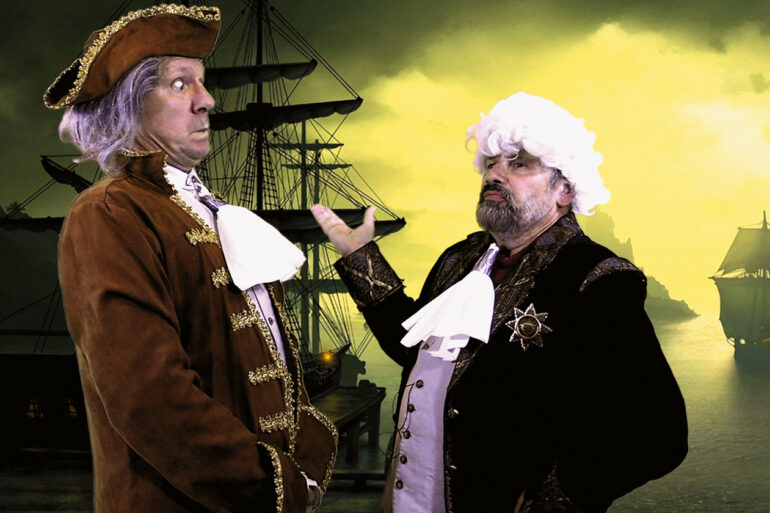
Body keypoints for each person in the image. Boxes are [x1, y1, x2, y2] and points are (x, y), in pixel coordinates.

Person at [311, 92, 688, 513]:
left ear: (564, 189)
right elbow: (415, 349)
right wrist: (358, 255)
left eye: (519, 164)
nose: (494, 174)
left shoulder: (598, 279)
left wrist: (556, 498)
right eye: (491, 163)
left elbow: (659, 434)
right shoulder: (459, 259)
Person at [47, 5, 335, 513]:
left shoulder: (209, 210)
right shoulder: (110, 211)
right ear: (130, 105)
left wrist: (304, 467)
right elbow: (150, 399)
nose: (207, 100)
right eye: (180, 84)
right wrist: (278, 486)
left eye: (202, 82)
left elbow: (273, 359)